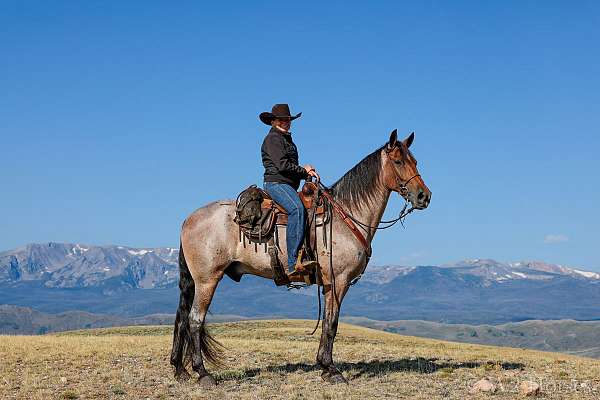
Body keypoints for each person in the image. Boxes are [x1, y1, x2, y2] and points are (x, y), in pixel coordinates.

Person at [259, 104, 320, 276]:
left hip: (287, 184)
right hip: (276, 184)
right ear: (273, 121)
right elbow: (282, 165)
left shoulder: (285, 139)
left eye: (288, 120)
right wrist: (304, 171)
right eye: (282, 120)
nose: (286, 122)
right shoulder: (273, 139)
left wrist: (304, 173)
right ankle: (293, 262)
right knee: (297, 209)